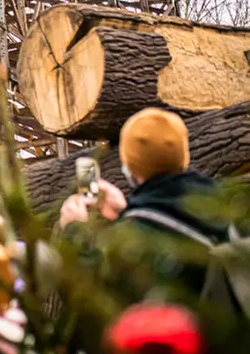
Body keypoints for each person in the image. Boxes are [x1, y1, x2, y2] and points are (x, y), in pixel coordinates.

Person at [59, 108, 232, 304]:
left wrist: (74, 231)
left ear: (130, 167)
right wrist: (126, 212)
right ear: (184, 157)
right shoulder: (227, 207)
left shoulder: (129, 240)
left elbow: (90, 298)